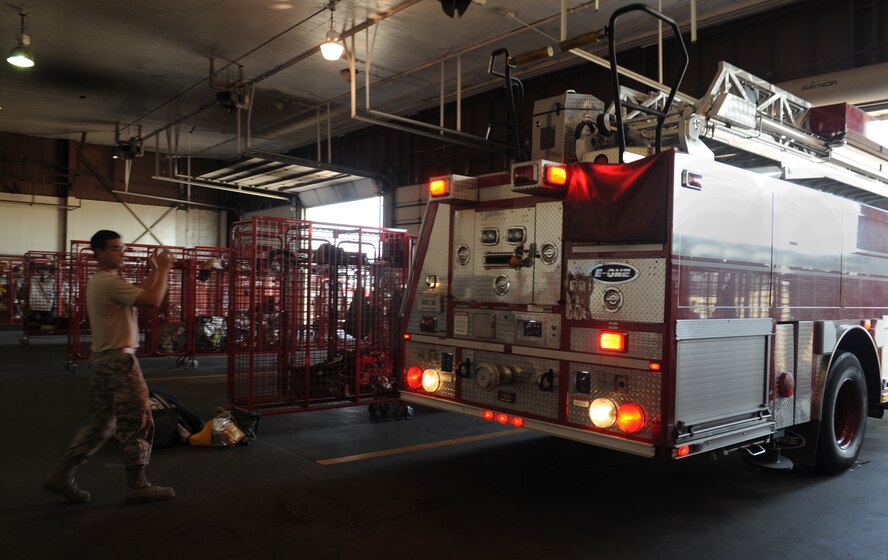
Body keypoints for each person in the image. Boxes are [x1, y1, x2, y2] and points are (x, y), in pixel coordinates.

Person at [44, 230, 177, 504]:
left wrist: (154, 271)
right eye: (116, 248)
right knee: (138, 418)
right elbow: (152, 300)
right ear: (100, 252)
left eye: (122, 247)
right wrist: (164, 268)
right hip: (119, 361)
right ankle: (137, 484)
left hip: (104, 360)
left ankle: (61, 474)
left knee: (101, 423)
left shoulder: (105, 282)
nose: (121, 252)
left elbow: (142, 294)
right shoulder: (107, 282)